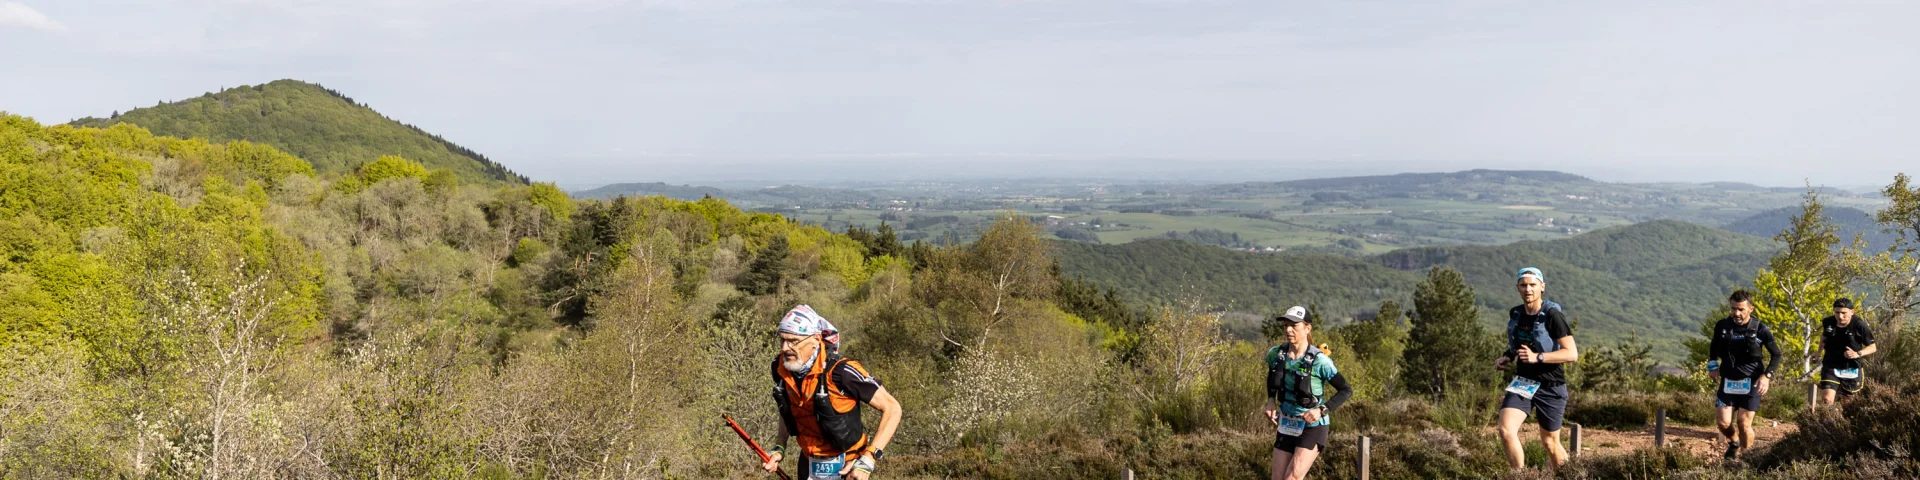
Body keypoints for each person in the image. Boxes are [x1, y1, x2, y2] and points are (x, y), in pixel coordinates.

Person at [761, 305, 904, 480]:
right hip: (807, 465)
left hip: (849, 468)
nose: (784, 348)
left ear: (815, 339)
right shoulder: (781, 367)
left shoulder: (842, 371)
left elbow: (892, 408)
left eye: (793, 341)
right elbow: (786, 407)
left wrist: (868, 459)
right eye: (782, 340)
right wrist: (779, 447)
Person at [1494, 267, 1579, 471]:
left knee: (1550, 443)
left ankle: (1568, 476)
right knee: (1505, 430)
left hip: (1551, 385)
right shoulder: (1517, 314)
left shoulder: (1552, 316)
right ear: (1517, 288)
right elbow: (1522, 342)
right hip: (1524, 382)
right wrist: (1508, 356)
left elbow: (1571, 354)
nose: (1528, 289)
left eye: (1533, 285)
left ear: (1542, 287)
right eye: (1523, 285)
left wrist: (1537, 357)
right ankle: (1521, 476)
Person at [1263, 305, 1353, 480]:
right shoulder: (1276, 354)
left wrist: (1321, 410)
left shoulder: (1320, 361)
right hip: (1287, 422)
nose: (1288, 330)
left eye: (1294, 326)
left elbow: (1346, 390)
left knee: (1293, 477)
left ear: (1307, 328)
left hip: (1313, 426)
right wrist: (1270, 400)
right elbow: (1272, 376)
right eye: (1286, 325)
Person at [1708, 290, 1781, 461]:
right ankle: (1734, 443)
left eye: (1741, 309)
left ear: (1750, 309)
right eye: (1733, 309)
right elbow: (1714, 346)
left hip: (1752, 382)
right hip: (1728, 381)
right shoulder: (1722, 326)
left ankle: (1747, 458)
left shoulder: (1761, 329)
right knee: (1723, 423)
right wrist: (1712, 364)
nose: (1736, 313)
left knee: (1743, 423)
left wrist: (1766, 376)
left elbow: (1776, 355)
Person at [1819, 298, 1876, 405]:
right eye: (1837, 312)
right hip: (1831, 365)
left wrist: (1857, 354)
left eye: (1844, 313)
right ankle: (1825, 418)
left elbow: (1872, 347)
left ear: (1852, 312)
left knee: (1848, 403)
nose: (1840, 316)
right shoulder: (1828, 322)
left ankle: (1839, 421)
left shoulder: (1859, 325)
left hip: (1852, 367)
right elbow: (1824, 336)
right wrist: (1818, 352)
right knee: (1827, 399)